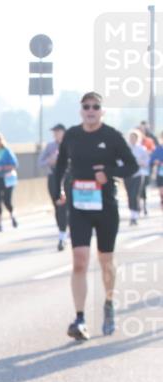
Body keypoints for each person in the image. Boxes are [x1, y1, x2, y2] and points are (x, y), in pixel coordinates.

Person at [53, 91, 138, 340]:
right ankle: (79, 318)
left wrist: (109, 172)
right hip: (79, 205)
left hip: (106, 206)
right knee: (79, 260)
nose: (91, 110)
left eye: (95, 107)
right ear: (81, 110)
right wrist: (57, 191)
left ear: (102, 111)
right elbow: (60, 165)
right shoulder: (72, 135)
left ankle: (109, 302)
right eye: (86, 106)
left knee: (105, 259)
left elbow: (131, 166)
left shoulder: (111, 136)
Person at [40, 123, 70, 251]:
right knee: (57, 206)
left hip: (67, 177)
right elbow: (40, 162)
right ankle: (62, 230)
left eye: (58, 132)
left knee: (64, 206)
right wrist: (50, 160)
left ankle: (62, 236)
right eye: (54, 132)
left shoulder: (70, 144)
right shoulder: (50, 146)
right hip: (53, 177)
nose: (55, 134)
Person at [124, 129, 149, 227]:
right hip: (127, 174)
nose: (132, 139)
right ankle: (132, 211)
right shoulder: (125, 149)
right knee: (130, 195)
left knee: (135, 194)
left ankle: (134, 216)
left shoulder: (142, 149)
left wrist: (140, 162)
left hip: (138, 174)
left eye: (134, 138)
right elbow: (120, 161)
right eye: (131, 138)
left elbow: (146, 161)